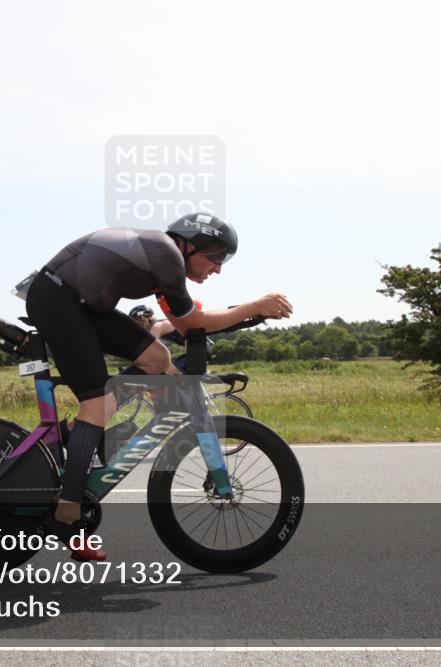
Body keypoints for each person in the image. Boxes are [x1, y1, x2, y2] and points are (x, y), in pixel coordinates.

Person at [25, 212, 292, 560]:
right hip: (58, 299)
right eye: (216, 257)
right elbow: (193, 323)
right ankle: (66, 511)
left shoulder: (164, 263)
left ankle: (74, 434)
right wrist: (253, 306)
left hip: (78, 303)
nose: (218, 268)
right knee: (95, 403)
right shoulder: (166, 254)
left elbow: (183, 328)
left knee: (156, 357)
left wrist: (249, 315)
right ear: (190, 245)